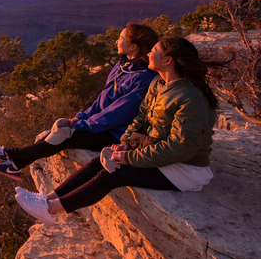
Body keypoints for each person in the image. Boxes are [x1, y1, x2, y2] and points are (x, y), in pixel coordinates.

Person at [15, 36, 220, 225]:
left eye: (154, 50)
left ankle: (50, 210)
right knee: (98, 162)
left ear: (168, 61)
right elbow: (141, 117)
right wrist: (126, 142)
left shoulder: (191, 98)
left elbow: (182, 148)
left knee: (114, 173)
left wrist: (130, 158)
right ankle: (48, 198)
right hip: (161, 152)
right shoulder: (159, 83)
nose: (148, 53)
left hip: (184, 169)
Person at [0, 23, 159, 181]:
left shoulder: (144, 79)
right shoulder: (121, 67)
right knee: (59, 129)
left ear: (133, 46)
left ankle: (10, 155)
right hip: (100, 126)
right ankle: (14, 166)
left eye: (120, 38)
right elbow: (101, 102)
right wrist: (79, 118)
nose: (116, 41)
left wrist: (83, 125)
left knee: (67, 136)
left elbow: (118, 114)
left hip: (116, 135)